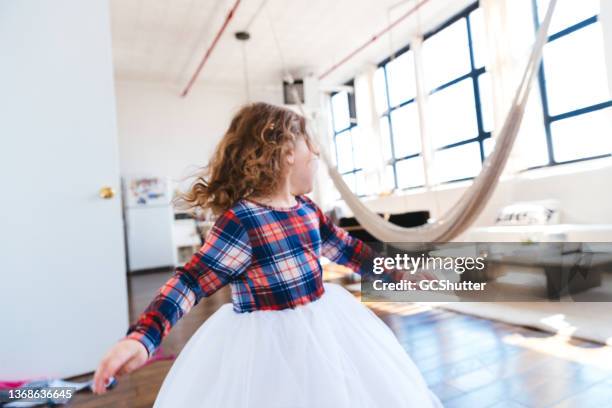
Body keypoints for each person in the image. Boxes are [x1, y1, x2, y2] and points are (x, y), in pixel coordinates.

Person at [92, 102, 444, 407]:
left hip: (325, 329)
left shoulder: (307, 209)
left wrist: (401, 274)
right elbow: (191, 280)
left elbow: (350, 250)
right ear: (287, 152)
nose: (318, 154)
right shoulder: (241, 221)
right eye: (311, 144)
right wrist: (144, 336)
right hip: (265, 351)